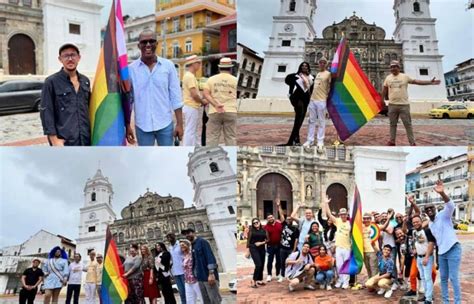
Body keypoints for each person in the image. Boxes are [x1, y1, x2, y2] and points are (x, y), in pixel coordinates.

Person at [128, 30, 183, 146]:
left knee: (167, 159)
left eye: (151, 41)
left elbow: (176, 96)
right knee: (145, 161)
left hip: (165, 124)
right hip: (142, 126)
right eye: (144, 42)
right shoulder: (131, 69)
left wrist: (179, 124)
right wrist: (127, 125)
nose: (148, 44)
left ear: (156, 44)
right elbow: (129, 100)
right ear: (139, 46)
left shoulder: (168, 66)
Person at [40, 43, 91, 146]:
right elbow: (46, 113)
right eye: (66, 56)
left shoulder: (85, 81)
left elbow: (89, 109)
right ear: (60, 59)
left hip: (85, 139)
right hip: (64, 142)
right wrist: (54, 140)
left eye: (73, 55)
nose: (70, 59)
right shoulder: (51, 82)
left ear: (79, 57)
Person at [382, 60, 441, 146]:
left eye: (394, 66)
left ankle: (412, 142)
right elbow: (384, 89)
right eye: (391, 67)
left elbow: (417, 82)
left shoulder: (405, 77)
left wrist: (429, 82)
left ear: (398, 67)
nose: (393, 68)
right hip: (392, 105)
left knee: (408, 124)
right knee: (392, 124)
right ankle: (392, 141)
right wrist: (381, 100)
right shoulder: (388, 78)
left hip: (404, 105)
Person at [429, 180, 462, 304]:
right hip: (442, 253)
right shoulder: (431, 224)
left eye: (431, 208)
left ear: (435, 209)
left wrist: (442, 193)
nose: (429, 210)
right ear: (426, 212)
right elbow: (437, 241)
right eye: (427, 209)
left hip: (453, 249)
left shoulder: (443, 215)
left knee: (453, 278)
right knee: (443, 279)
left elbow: (451, 206)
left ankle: (457, 302)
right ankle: (445, 302)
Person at [202, 57, 237, 146]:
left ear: (219, 68)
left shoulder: (211, 79)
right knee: (230, 137)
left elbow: (206, 94)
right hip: (231, 110)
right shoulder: (235, 80)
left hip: (214, 111)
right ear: (231, 68)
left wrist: (215, 105)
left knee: (213, 137)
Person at [182, 228, 221, 303]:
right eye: (185, 234)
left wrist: (211, 273)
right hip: (200, 278)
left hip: (208, 276)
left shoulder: (202, 242)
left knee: (214, 299)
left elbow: (210, 257)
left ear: (193, 232)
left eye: (188, 233)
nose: (187, 235)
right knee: (206, 300)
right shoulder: (192, 245)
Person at [322, 196, 351, 289]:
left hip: (347, 247)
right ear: (340, 215)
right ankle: (340, 280)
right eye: (342, 214)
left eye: (345, 214)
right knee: (339, 265)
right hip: (338, 247)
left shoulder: (350, 223)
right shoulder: (338, 221)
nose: (343, 216)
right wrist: (326, 203)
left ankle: (346, 282)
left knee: (346, 265)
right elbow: (329, 215)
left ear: (347, 215)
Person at [304, 57, 331, 150]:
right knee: (311, 121)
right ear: (319, 64)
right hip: (313, 100)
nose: (322, 64)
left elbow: (331, 87)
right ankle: (310, 140)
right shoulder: (318, 74)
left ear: (326, 64)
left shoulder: (328, 74)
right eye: (320, 63)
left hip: (322, 100)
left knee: (321, 121)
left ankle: (320, 141)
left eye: (324, 63)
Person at [284, 62, 314, 146]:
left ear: (308, 68)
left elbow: (311, 89)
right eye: (303, 66)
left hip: (306, 99)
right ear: (300, 67)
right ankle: (294, 139)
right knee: (299, 115)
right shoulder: (294, 76)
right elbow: (290, 84)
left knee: (300, 119)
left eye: (306, 66)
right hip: (297, 98)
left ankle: (294, 140)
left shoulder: (311, 77)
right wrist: (290, 95)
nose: (304, 67)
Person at [412, 214, 436, 304]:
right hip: (419, 257)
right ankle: (426, 295)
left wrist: (426, 257)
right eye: (414, 222)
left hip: (427, 257)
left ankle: (429, 299)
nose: (415, 223)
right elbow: (417, 242)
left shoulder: (427, 230)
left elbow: (431, 243)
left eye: (417, 221)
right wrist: (415, 250)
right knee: (422, 277)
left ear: (421, 221)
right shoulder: (415, 232)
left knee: (428, 278)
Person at [182, 55, 206, 146]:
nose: (200, 65)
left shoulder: (188, 76)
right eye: (198, 63)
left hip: (190, 106)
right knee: (190, 131)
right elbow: (194, 94)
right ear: (193, 64)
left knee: (192, 130)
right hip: (191, 106)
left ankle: (197, 147)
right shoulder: (190, 77)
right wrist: (202, 101)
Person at [276, 199, 299, 283]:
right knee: (282, 262)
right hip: (282, 247)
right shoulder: (284, 225)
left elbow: (296, 240)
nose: (289, 220)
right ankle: (282, 275)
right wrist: (279, 206)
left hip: (290, 248)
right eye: (288, 219)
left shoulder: (295, 229)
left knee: (291, 262)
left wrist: (293, 249)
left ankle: (290, 275)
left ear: (292, 220)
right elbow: (281, 214)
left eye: (290, 219)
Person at [245, 217, 268, 288]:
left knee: (262, 264)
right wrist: (248, 251)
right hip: (253, 248)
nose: (256, 224)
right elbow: (248, 241)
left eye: (257, 222)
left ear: (259, 222)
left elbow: (268, 240)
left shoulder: (264, 230)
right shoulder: (251, 230)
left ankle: (259, 279)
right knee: (258, 264)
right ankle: (254, 280)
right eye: (254, 223)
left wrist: (261, 243)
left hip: (262, 248)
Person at [180, 239, 204, 304]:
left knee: (202, 298)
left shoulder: (192, 254)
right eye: (180, 246)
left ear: (188, 245)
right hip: (187, 281)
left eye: (183, 245)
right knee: (189, 300)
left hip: (196, 279)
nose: (181, 246)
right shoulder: (183, 256)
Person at [166, 233, 186, 303]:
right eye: (168, 237)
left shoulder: (180, 244)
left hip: (184, 271)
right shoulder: (170, 247)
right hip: (176, 272)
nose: (169, 238)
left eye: (171, 236)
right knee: (181, 292)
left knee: (187, 291)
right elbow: (171, 259)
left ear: (174, 236)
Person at [263, 212, 283, 282]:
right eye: (269, 218)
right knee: (270, 261)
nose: (270, 219)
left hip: (279, 246)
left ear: (274, 217)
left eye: (271, 217)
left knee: (278, 261)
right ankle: (269, 274)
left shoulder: (279, 224)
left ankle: (278, 274)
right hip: (270, 246)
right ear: (267, 219)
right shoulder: (265, 227)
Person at [362, 213, 379, 279]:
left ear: (370, 219)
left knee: (374, 269)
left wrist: (388, 219)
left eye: (368, 218)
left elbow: (383, 227)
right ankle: (370, 284)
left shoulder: (374, 226)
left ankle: (374, 284)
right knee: (368, 268)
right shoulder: (361, 227)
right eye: (364, 218)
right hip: (364, 251)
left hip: (373, 251)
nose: (366, 220)